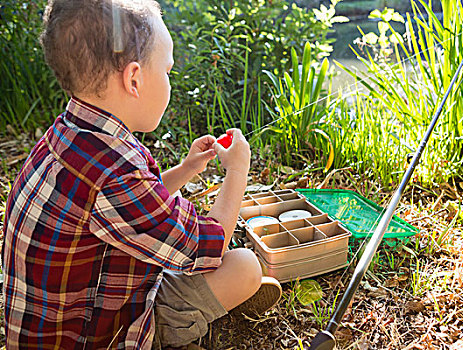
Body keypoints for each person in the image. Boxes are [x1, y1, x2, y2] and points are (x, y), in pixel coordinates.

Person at [1, 0, 281, 348]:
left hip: (63, 323)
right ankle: (172, 332)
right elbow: (208, 244)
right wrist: (237, 171)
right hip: (98, 338)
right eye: (167, 71)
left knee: (232, 268)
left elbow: (134, 208)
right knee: (244, 266)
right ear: (134, 78)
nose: (169, 81)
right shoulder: (115, 173)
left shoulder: (72, 134)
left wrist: (187, 169)